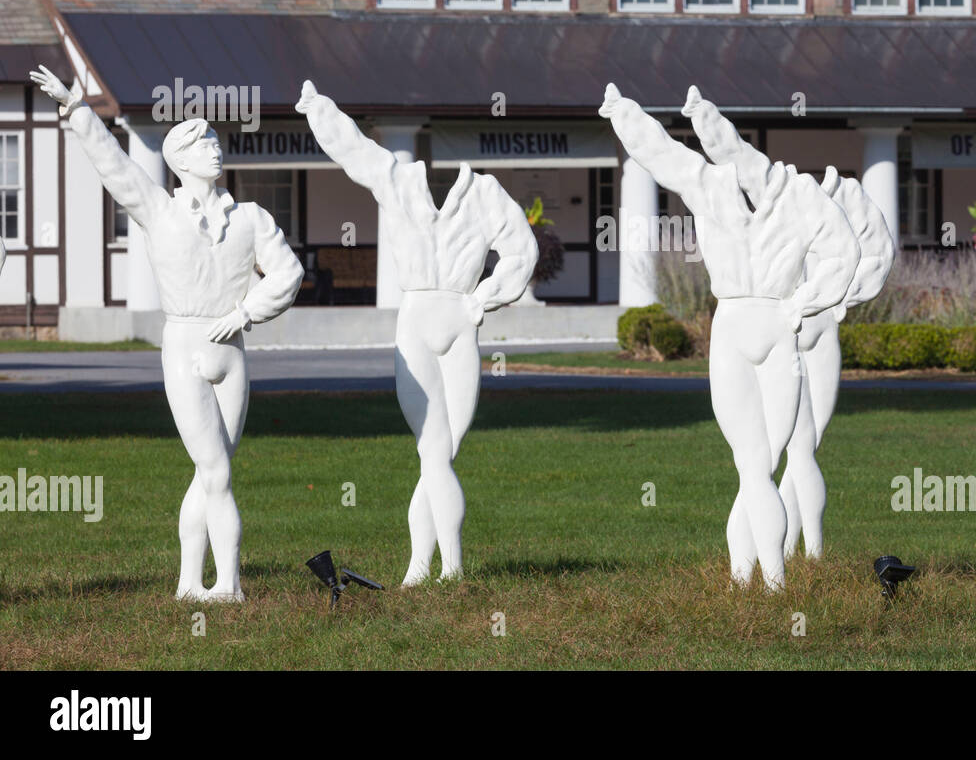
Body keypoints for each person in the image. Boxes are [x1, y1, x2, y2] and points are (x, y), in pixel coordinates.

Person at [30, 65, 303, 602]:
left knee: (210, 473)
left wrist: (248, 311)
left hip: (233, 351)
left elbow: (290, 273)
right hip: (185, 347)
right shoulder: (159, 210)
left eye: (215, 140)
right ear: (178, 160)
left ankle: (188, 583)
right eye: (200, 143)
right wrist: (75, 107)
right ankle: (227, 586)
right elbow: (114, 166)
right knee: (216, 470)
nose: (214, 149)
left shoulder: (250, 217)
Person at [600, 83, 858, 591]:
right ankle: (760, 582)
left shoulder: (753, 189)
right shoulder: (743, 188)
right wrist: (626, 113)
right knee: (754, 466)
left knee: (755, 467)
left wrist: (805, 303)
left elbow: (842, 255)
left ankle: (759, 582)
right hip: (754, 324)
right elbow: (661, 152)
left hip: (758, 323)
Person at [294, 81, 537, 586]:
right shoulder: (399, 181)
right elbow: (352, 149)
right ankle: (442, 568)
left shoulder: (486, 193)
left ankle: (424, 569)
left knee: (440, 454)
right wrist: (319, 108)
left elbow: (523, 252)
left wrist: (482, 298)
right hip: (416, 320)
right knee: (432, 449)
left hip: (461, 318)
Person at [684, 86, 895, 559]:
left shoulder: (817, 193)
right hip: (796, 324)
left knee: (776, 455)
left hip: (799, 323)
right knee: (783, 454)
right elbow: (875, 254)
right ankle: (791, 554)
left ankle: (798, 554)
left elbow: (874, 256)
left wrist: (830, 301)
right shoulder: (816, 194)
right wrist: (833, 300)